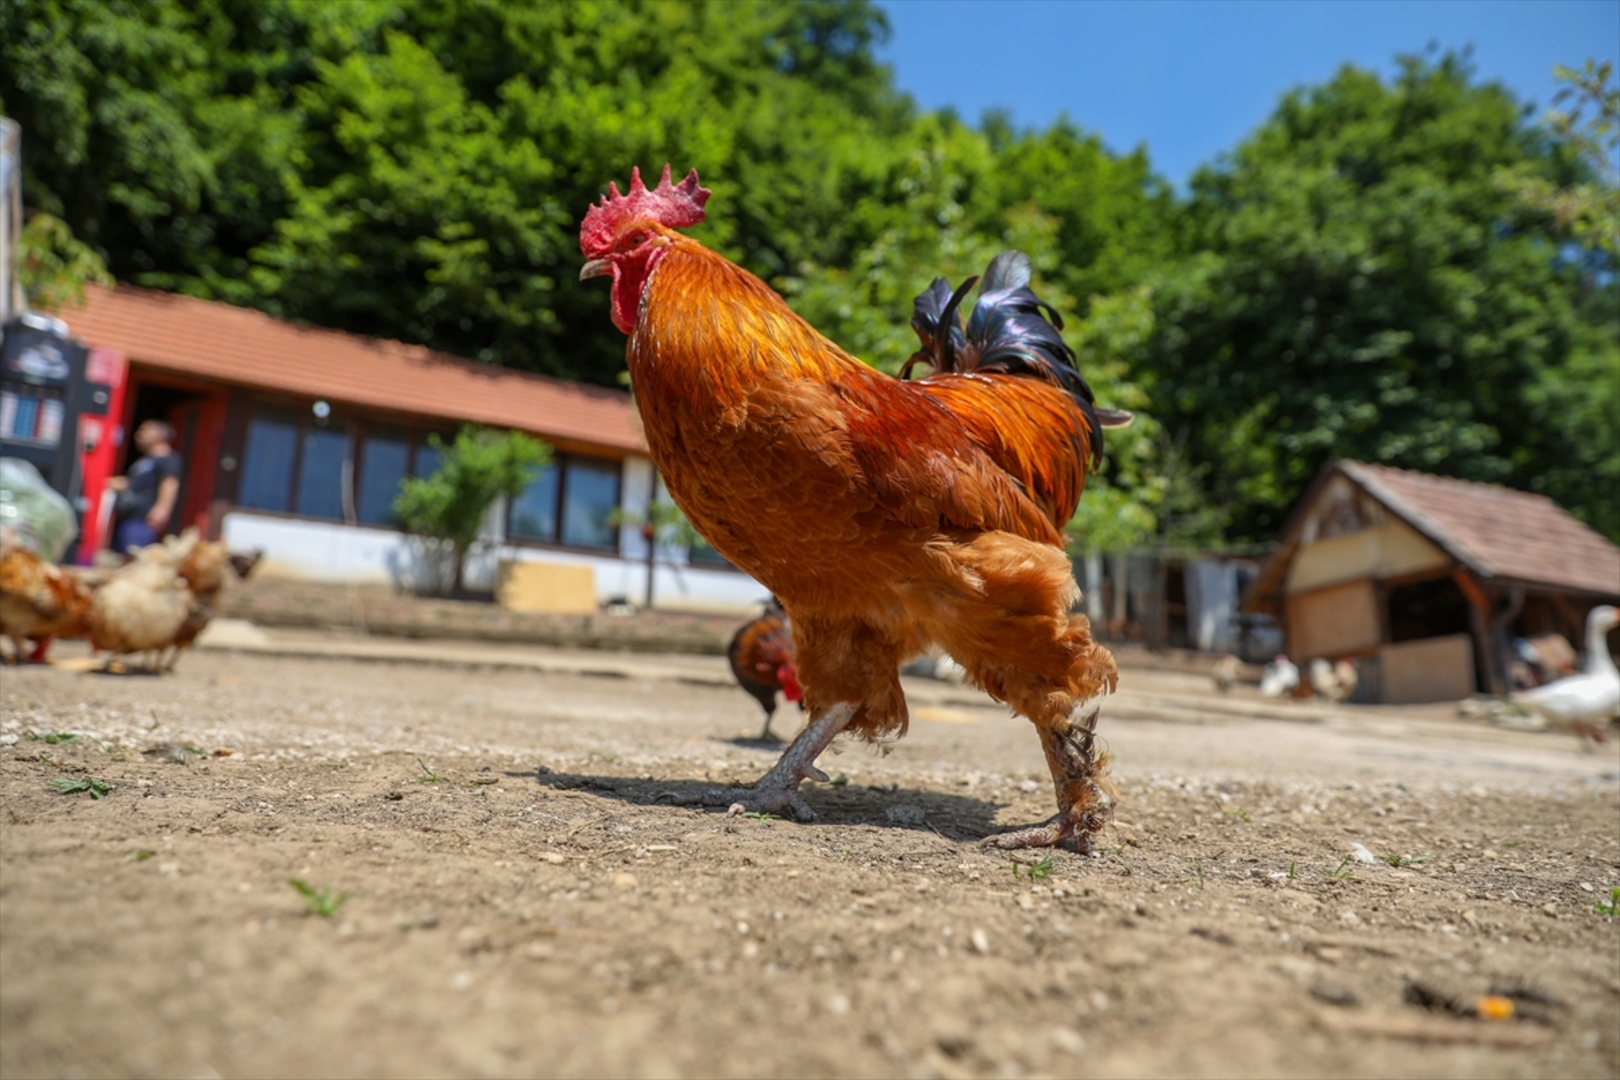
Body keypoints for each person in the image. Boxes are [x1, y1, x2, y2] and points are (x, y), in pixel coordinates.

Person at [107, 420, 182, 554]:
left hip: (142, 519)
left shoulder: (168, 458)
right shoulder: (145, 460)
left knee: (133, 556)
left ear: (158, 435)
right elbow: (134, 484)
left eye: (144, 430)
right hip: (128, 515)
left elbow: (169, 484)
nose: (138, 434)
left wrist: (162, 509)